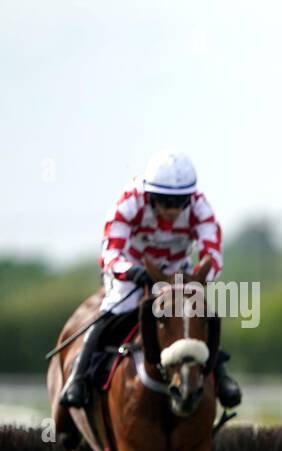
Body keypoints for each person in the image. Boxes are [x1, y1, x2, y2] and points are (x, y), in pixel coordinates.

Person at [60, 150, 241, 409]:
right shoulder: (129, 202)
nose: (173, 210)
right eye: (165, 202)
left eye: (181, 202)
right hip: (133, 269)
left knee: (196, 312)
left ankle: (221, 376)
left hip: (178, 272)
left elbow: (212, 255)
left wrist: (196, 280)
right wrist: (133, 272)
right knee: (117, 306)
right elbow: (110, 253)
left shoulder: (201, 208)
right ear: (149, 196)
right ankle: (77, 378)